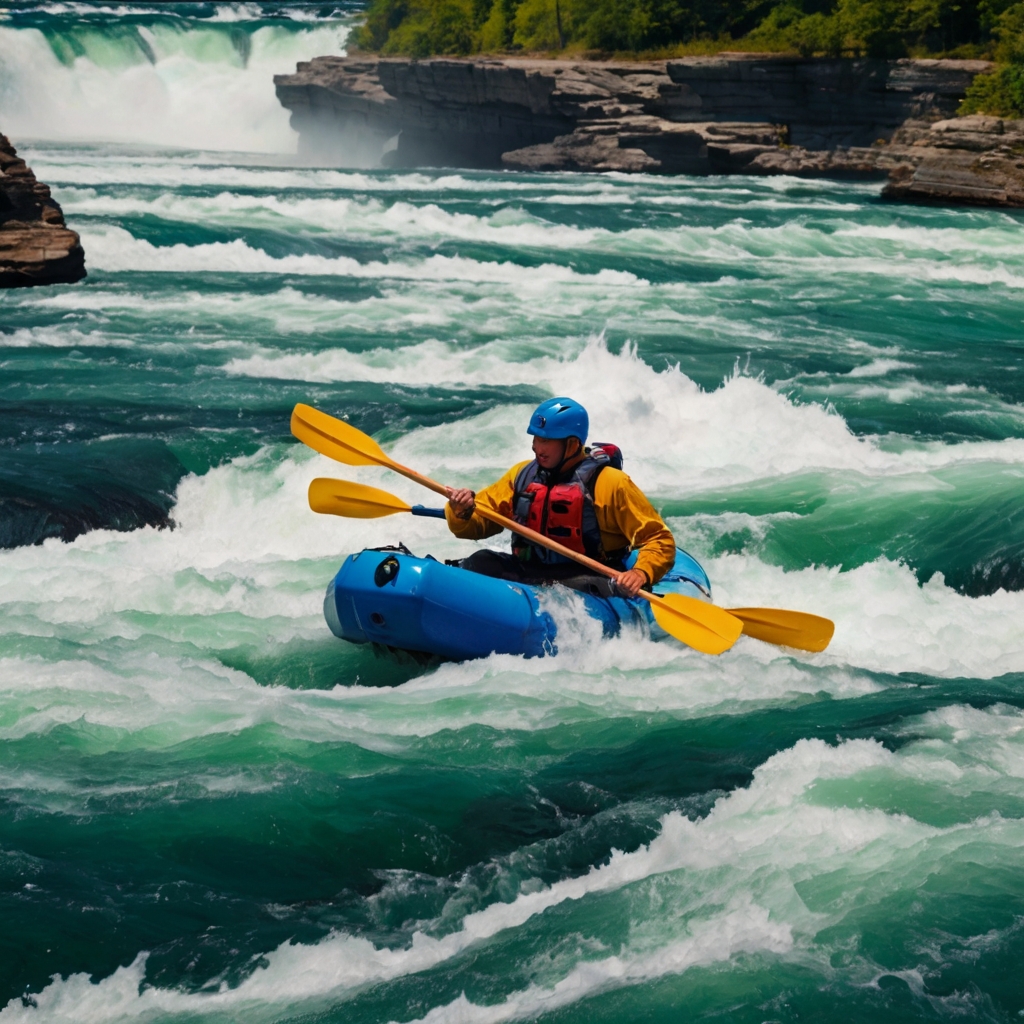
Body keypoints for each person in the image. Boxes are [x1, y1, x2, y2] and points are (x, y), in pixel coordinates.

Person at [444, 397, 675, 598]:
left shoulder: (611, 483)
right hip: (529, 570)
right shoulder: (522, 475)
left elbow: (658, 539)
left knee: (586, 585)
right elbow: (479, 522)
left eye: (545, 440)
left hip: (583, 578)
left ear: (572, 444)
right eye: (535, 438)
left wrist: (640, 572)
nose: (536, 447)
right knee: (481, 560)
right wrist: (461, 512)